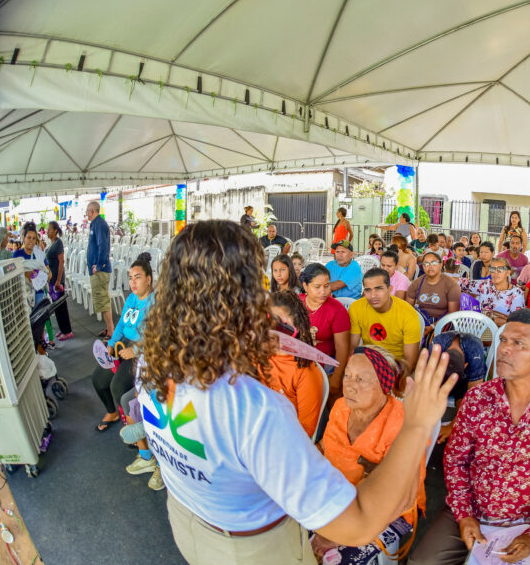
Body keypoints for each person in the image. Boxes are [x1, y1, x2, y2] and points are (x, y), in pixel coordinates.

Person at [137, 220, 458, 565]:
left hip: (189, 519)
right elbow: (360, 522)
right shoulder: (255, 410)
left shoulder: (152, 361)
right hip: (251, 551)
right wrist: (418, 422)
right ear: (242, 297)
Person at [410, 310, 530, 565]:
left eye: (518, 344)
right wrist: (464, 514)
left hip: (526, 523)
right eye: (503, 340)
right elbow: (455, 460)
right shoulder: (477, 399)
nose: (505, 349)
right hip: (471, 509)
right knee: (422, 562)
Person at [312, 346, 427, 563]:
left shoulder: (402, 425)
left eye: (361, 379)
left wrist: (339, 533)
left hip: (386, 511)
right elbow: (324, 448)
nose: (349, 386)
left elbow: (403, 498)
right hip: (336, 496)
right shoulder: (340, 408)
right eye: (347, 375)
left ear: (384, 386)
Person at [93, 253, 154, 434]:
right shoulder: (131, 298)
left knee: (118, 387)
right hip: (123, 344)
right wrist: (112, 343)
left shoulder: (156, 301)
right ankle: (112, 413)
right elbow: (121, 324)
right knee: (98, 379)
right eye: (130, 278)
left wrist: (135, 349)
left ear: (149, 279)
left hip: (143, 349)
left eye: (138, 278)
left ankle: (137, 429)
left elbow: (158, 335)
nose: (133, 283)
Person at [267, 292, 325, 437]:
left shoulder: (305, 371)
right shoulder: (257, 357)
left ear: (297, 327)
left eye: (281, 326)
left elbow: (305, 430)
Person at [350, 268, 422, 374]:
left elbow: (410, 362)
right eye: (368, 290)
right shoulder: (356, 308)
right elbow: (352, 348)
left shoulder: (408, 314)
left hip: (396, 365)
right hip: (368, 361)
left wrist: (392, 380)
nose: (373, 295)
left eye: (378, 289)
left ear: (390, 289)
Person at [300, 264, 350, 403]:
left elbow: (342, 348)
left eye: (327, 285)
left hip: (325, 364)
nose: (323, 291)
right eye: (317, 287)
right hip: (298, 362)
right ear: (305, 286)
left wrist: (336, 378)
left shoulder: (337, 310)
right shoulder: (296, 303)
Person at [428, 331, 487, 444]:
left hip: (466, 380)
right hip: (439, 375)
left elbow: (473, 397)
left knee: (466, 403)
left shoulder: (475, 352)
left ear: (465, 365)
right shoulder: (436, 346)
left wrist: (452, 426)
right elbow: (428, 384)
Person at [459, 258, 525, 327]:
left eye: (500, 269)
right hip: (479, 328)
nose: (495, 272)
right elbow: (461, 282)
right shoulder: (485, 285)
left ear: (508, 272)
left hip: (500, 333)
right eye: (493, 269)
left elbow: (516, 322)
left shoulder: (516, 293)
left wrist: (490, 319)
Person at [406, 251, 461, 325]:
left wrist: (432, 327)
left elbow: (453, 314)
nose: (430, 266)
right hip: (421, 321)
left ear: (441, 264)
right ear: (423, 266)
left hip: (444, 323)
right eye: (426, 263)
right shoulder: (416, 284)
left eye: (434, 263)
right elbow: (408, 309)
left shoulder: (452, 285)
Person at [86, 201, 114, 338]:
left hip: (100, 270)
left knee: (103, 300)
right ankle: (109, 330)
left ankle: (111, 332)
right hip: (98, 269)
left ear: (92, 210)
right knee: (102, 301)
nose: (86, 214)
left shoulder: (99, 224)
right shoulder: (96, 223)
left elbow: (103, 246)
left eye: (87, 211)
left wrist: (99, 264)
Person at [45, 221, 73, 340]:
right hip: (52, 279)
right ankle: (62, 329)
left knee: (61, 305)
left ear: (55, 230)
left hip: (57, 279)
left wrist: (58, 280)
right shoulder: (51, 243)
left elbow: (61, 263)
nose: (47, 231)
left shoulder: (58, 243)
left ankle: (67, 331)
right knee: (57, 306)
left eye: (50, 229)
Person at [13, 223, 49, 307]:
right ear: (23, 238)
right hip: (23, 293)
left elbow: (49, 274)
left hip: (38, 292)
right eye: (29, 237)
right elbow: (14, 274)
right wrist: (26, 274)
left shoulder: (39, 254)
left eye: (33, 238)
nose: (31, 240)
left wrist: (39, 275)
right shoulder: (17, 255)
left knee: (39, 311)